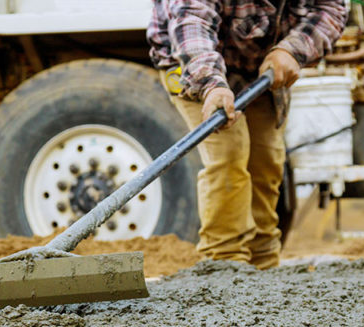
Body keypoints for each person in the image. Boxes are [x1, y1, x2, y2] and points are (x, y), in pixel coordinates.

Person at [148, 0, 348, 269]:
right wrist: (210, 85)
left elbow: (330, 9)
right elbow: (192, 23)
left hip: (262, 66)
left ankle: (263, 267)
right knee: (229, 154)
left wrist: (293, 49)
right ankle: (224, 265)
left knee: (265, 163)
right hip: (194, 63)